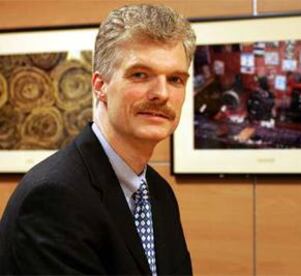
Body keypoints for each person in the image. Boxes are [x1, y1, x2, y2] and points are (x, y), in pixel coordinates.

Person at [0, 4, 196, 275]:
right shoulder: (55, 197)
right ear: (100, 86)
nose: (161, 93)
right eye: (140, 74)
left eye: (175, 79)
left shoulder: (158, 192)